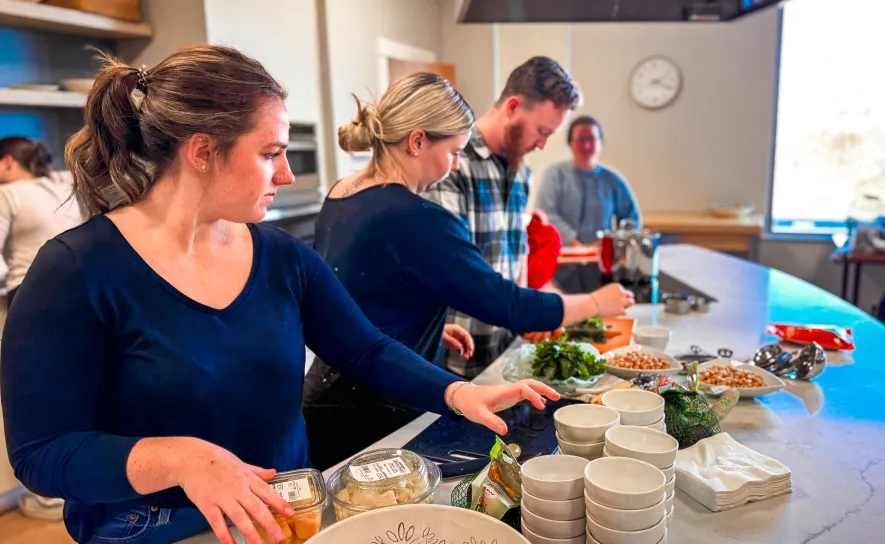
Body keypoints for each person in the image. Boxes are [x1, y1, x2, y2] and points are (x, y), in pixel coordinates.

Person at [0, 45, 560, 544]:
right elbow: (42, 452)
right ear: (202, 151)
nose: (287, 174)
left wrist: (459, 394)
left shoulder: (281, 256)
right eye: (271, 153)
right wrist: (181, 459)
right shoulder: (76, 271)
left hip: (290, 521)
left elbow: (365, 349)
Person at [307, 74, 634, 469]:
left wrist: (422, 324)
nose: (456, 164)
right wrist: (598, 301)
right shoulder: (419, 219)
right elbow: (507, 304)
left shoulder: (344, 190)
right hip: (375, 409)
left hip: (325, 395)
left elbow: (352, 290)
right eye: (455, 151)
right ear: (417, 141)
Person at [421, 56, 582, 377]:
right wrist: (541, 310)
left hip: (504, 354)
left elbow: (515, 251)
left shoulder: (521, 171)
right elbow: (454, 271)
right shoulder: (452, 163)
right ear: (512, 107)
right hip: (454, 361)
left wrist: (527, 310)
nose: (542, 144)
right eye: (541, 131)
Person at [0, 136, 82, 308]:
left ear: (7, 161)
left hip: (27, 292)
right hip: (77, 288)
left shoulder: (6, 193)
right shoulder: (63, 188)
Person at [535, 116, 640, 246]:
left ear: (601, 143)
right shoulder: (555, 174)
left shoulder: (612, 180)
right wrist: (574, 243)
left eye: (591, 138)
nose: (586, 145)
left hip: (601, 258)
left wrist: (612, 242)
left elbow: (631, 218)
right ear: (570, 144)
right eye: (580, 139)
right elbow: (546, 214)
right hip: (561, 256)